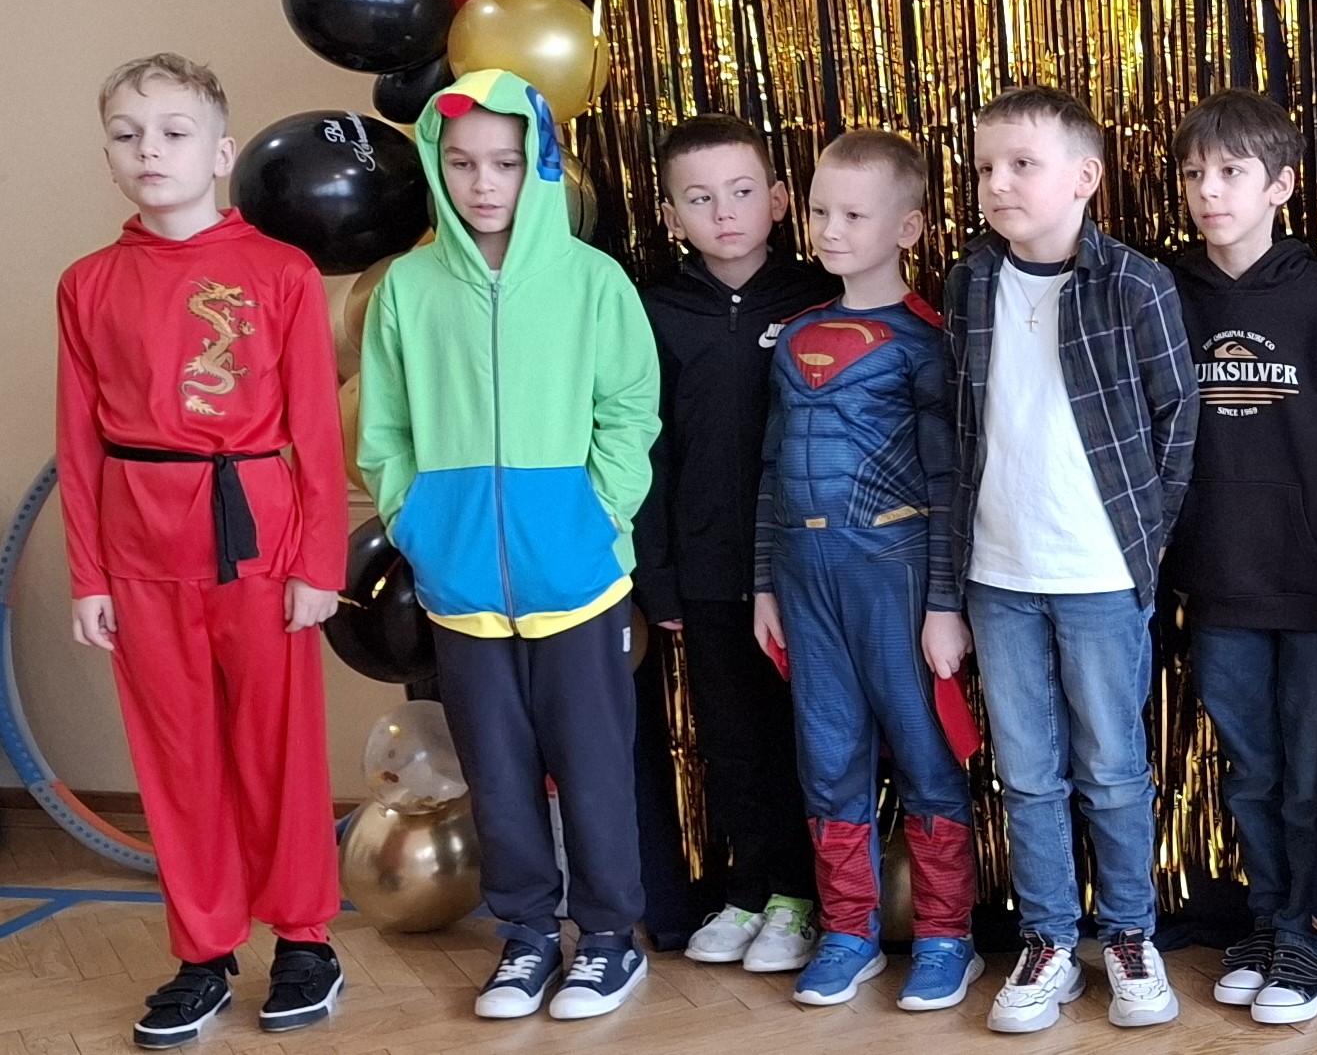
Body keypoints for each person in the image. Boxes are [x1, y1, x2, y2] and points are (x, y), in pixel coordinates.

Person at [55, 55, 348, 1047]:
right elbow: (78, 440)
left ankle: (304, 939)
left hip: (257, 539)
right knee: (176, 757)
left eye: (174, 132)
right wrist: (89, 574)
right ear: (109, 155)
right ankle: (202, 948)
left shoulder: (280, 271)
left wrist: (318, 562)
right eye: (129, 134)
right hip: (140, 545)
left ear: (221, 153)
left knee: (276, 746)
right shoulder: (88, 284)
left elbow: (316, 428)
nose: (151, 150)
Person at [356, 68, 660, 1023]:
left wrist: (595, 517)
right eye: (461, 163)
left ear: (540, 164)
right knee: (495, 770)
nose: (483, 182)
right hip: (461, 584)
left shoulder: (592, 281)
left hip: (577, 574)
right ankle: (527, 934)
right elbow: (383, 429)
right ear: (435, 167)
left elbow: (630, 413)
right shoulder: (408, 288)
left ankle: (608, 939)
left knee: (595, 766)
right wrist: (419, 521)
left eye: (504, 161)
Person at [930, 86, 1199, 1034]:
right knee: (1028, 772)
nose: (997, 183)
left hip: (1100, 579)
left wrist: (1138, 549)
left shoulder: (1135, 284)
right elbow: (958, 431)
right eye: (984, 167)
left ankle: (1128, 934)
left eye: (1021, 164)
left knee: (1113, 767)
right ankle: (1048, 938)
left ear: (1084, 177)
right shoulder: (970, 283)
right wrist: (950, 586)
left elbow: (1177, 425)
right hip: (999, 578)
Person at [748, 129, 981, 1011]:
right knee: (827, 752)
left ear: (908, 226)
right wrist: (764, 582)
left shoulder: (928, 341)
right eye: (819, 211)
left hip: (896, 571)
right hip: (805, 573)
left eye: (854, 213)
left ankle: (947, 935)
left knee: (924, 750)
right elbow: (770, 467)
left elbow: (950, 481)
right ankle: (848, 930)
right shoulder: (797, 335)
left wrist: (945, 603)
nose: (830, 229)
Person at [1163, 91, 1317, 1025]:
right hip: (1218, 581)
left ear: (1281, 184)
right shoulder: (1166, 294)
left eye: (1232, 171)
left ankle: (1304, 934)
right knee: (1251, 771)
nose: (1210, 190)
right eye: (1195, 173)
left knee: (1312, 776)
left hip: (1313, 582)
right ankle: (1269, 917)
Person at [636, 115, 837, 976]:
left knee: (812, 737)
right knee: (733, 738)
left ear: (781, 200)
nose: (724, 212)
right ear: (671, 214)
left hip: (812, 570)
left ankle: (804, 898)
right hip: (710, 570)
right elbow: (644, 452)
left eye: (743, 191)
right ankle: (751, 889)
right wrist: (660, 578)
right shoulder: (654, 310)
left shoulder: (820, 298)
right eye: (700, 198)